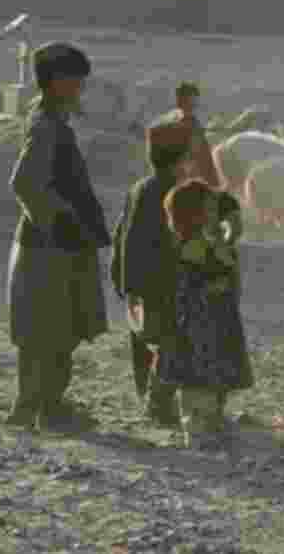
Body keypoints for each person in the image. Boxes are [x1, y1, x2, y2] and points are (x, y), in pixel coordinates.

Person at [5, 42, 112, 430]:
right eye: (76, 81)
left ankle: (38, 406)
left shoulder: (49, 120)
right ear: (59, 82)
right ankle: (42, 408)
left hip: (51, 242)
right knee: (50, 331)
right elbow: (25, 182)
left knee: (51, 330)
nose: (81, 88)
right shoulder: (47, 126)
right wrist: (61, 221)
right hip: (49, 247)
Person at [157, 178, 255, 451]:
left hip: (216, 321)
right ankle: (199, 430)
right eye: (210, 210)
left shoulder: (205, 242)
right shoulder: (191, 246)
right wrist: (212, 285)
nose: (216, 215)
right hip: (199, 324)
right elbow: (188, 286)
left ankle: (212, 423)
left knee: (213, 378)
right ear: (196, 215)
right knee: (198, 381)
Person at [110, 119, 196, 426]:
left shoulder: (139, 188)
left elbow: (121, 235)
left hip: (134, 282)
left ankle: (150, 399)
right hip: (162, 285)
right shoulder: (173, 192)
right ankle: (159, 405)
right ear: (181, 157)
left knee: (144, 341)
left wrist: (118, 277)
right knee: (169, 342)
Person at [163, 82, 220, 188]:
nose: (194, 104)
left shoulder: (181, 124)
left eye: (194, 100)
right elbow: (204, 160)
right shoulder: (190, 126)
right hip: (190, 182)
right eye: (192, 100)